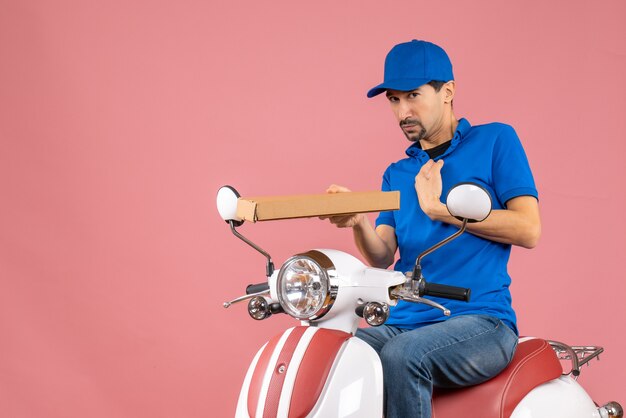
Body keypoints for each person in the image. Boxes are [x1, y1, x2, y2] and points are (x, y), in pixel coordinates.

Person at [323, 40, 541, 418]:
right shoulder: (397, 173)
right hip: (404, 319)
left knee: (404, 356)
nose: (403, 111)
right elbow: (382, 254)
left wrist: (439, 210)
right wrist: (357, 220)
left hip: (481, 321)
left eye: (413, 95)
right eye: (393, 100)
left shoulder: (495, 141)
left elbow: (529, 229)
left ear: (448, 92)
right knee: (337, 353)